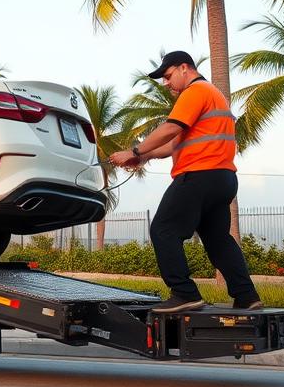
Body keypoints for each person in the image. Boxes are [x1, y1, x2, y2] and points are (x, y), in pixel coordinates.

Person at [107, 51, 263, 313]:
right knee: (217, 239)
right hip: (222, 178)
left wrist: (134, 151)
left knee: (163, 230)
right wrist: (143, 158)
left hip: (198, 176)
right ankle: (247, 296)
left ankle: (184, 293)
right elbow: (173, 144)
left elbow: (170, 128)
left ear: (184, 68)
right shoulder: (213, 95)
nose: (166, 83)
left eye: (167, 77)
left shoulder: (195, 92)